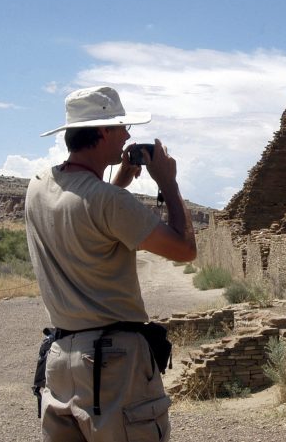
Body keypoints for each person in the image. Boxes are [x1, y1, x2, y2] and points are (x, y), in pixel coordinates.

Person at [26, 86, 197, 442]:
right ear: (103, 131)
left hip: (60, 358)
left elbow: (87, 211)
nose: (128, 135)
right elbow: (183, 249)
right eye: (122, 127)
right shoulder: (110, 203)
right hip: (113, 362)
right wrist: (168, 182)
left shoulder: (38, 187)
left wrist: (120, 179)